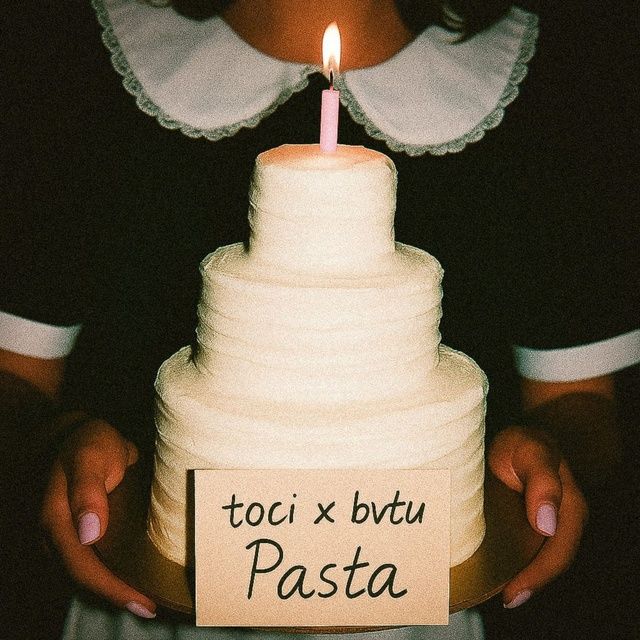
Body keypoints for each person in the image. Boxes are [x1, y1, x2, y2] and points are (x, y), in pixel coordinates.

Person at [1, 0, 637, 638]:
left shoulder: (547, 84)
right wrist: (60, 442)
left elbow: (581, 402)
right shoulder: (69, 61)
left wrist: (550, 460)